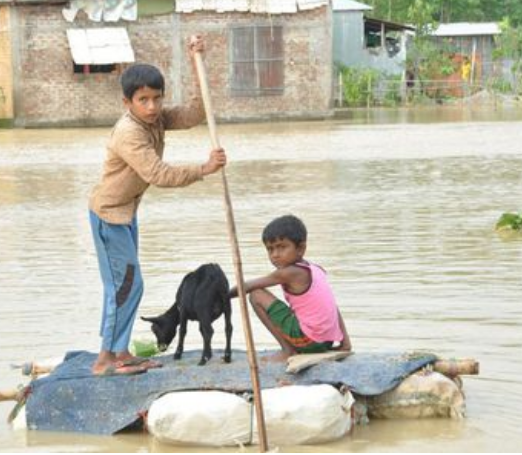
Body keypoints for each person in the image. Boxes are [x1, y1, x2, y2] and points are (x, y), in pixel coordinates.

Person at [88, 35, 226, 375]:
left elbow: (194, 113)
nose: (151, 106)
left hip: (126, 213)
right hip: (109, 216)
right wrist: (204, 169)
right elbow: (159, 174)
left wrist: (197, 61)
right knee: (126, 286)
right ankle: (106, 359)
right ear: (128, 102)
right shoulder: (129, 133)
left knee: (124, 285)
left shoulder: (157, 119)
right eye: (143, 100)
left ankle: (118, 351)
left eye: (156, 99)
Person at [230, 215, 351, 360]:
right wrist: (345, 342)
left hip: (308, 341)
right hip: (326, 341)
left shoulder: (288, 273)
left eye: (281, 247)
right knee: (264, 293)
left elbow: (247, 287)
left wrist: (222, 296)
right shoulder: (316, 269)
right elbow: (333, 307)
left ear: (300, 248)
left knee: (256, 294)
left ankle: (287, 349)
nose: (275, 255)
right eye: (270, 249)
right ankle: (341, 342)